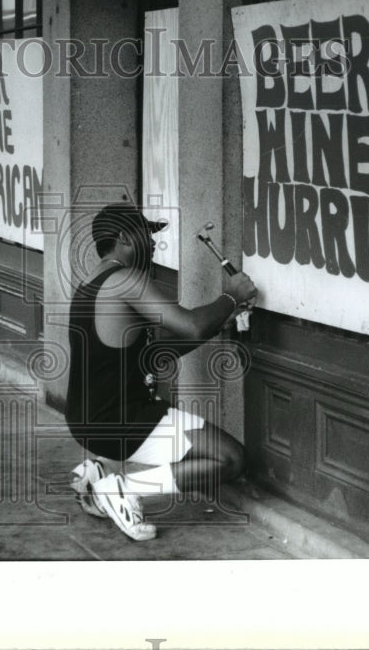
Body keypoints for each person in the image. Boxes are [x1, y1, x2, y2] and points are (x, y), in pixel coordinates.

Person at [65, 202, 258, 541]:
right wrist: (231, 297)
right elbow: (192, 326)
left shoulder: (92, 285)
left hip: (88, 420)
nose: (153, 244)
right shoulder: (125, 280)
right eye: (146, 234)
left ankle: (98, 472)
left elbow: (152, 355)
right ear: (125, 237)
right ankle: (122, 489)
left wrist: (217, 322)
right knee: (230, 459)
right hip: (120, 419)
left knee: (213, 452)